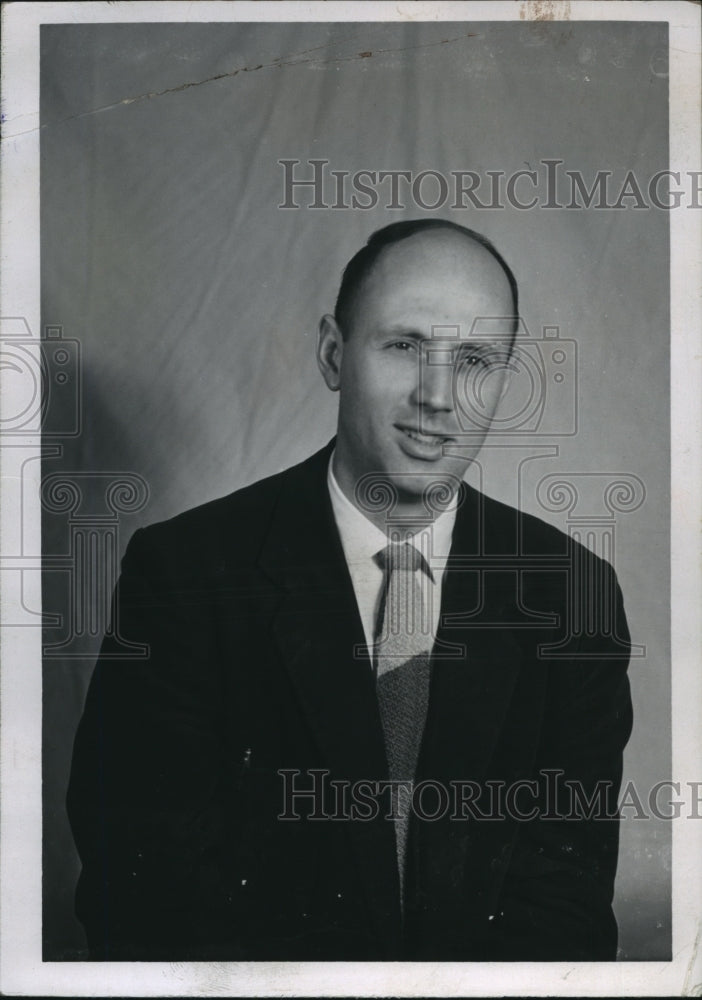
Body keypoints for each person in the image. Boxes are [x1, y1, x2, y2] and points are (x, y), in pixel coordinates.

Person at [67, 219, 633, 962]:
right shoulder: (186, 575)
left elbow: (567, 900)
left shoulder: (572, 596)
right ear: (335, 353)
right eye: (404, 346)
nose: (438, 398)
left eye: (474, 359)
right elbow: (142, 887)